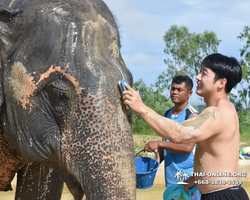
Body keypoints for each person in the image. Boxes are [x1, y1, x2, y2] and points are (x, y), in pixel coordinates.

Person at [123, 53, 249, 200]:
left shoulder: (218, 113)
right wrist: (197, 178)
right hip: (222, 192)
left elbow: (179, 133)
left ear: (221, 83)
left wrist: (141, 108)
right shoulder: (226, 109)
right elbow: (218, 157)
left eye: (204, 73)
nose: (197, 77)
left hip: (222, 195)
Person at [144, 75, 201, 200]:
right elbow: (164, 143)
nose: (174, 92)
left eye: (179, 89)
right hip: (171, 177)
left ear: (189, 93)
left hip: (188, 179)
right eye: (172, 89)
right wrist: (154, 164)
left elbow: (187, 147)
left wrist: (159, 144)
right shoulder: (168, 114)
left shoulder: (192, 115)